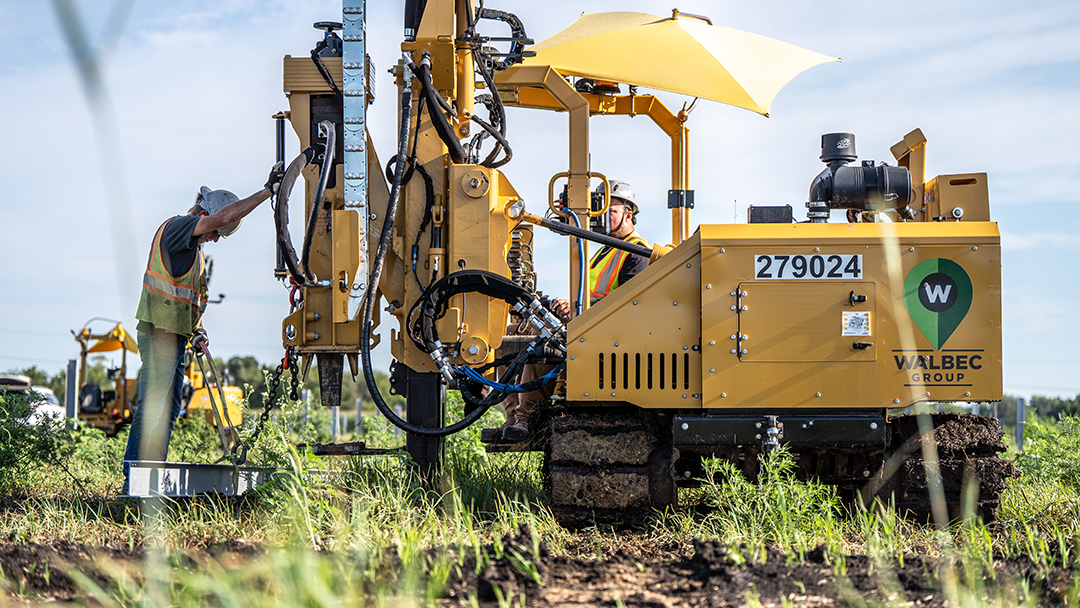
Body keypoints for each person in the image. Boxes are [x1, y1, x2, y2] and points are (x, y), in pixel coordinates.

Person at [121, 163, 284, 495]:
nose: (214, 237)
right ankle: (133, 483)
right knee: (153, 408)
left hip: (176, 337)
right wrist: (268, 191)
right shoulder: (179, 227)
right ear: (205, 213)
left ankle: (148, 481)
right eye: (215, 232)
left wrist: (196, 329)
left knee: (168, 412)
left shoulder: (192, 251)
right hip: (158, 334)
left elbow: (186, 300)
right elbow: (221, 219)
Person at [484, 180, 652, 442]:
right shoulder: (606, 251)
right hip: (588, 322)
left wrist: (579, 308)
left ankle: (526, 419)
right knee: (504, 335)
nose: (604, 217)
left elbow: (629, 303)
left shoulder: (636, 252)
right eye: (600, 210)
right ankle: (512, 418)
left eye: (612, 210)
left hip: (609, 334)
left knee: (543, 340)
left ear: (628, 214)